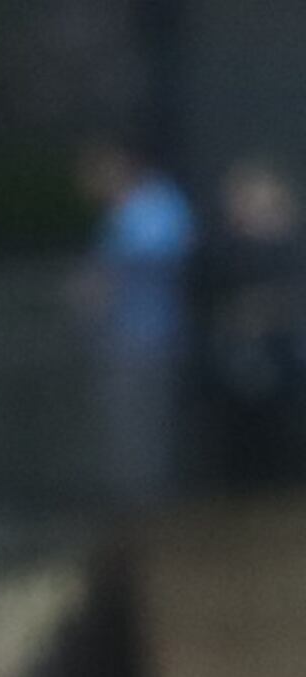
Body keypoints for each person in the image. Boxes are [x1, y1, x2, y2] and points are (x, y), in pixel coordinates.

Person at [78, 141, 196, 505]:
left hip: (150, 337)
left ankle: (149, 499)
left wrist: (103, 279)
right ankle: (133, 497)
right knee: (125, 428)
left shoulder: (155, 206)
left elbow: (156, 254)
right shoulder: (121, 211)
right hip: (123, 340)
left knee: (146, 427)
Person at [198, 159, 306, 492]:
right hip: (236, 355)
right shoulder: (220, 247)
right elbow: (209, 295)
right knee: (240, 434)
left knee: (284, 428)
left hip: (285, 352)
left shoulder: (291, 245)